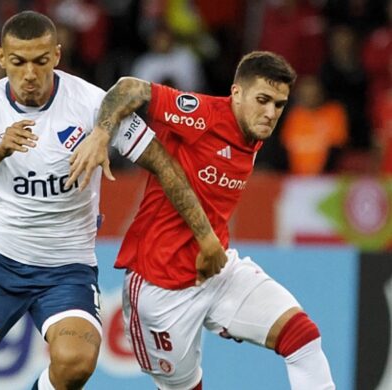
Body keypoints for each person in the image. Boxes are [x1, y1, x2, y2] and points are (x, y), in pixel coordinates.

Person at [0, 10, 226, 390]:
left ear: (57, 55)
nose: (29, 74)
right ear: (2, 58)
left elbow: (164, 165)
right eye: (18, 62)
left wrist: (206, 236)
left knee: (77, 362)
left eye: (40, 61)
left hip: (65, 267)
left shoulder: (92, 104)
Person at [67, 51, 335, 389]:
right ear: (236, 93)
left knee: (302, 337)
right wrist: (102, 135)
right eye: (263, 100)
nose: (270, 113)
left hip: (216, 270)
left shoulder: (253, 133)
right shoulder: (203, 115)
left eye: (279, 105)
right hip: (159, 286)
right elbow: (126, 89)